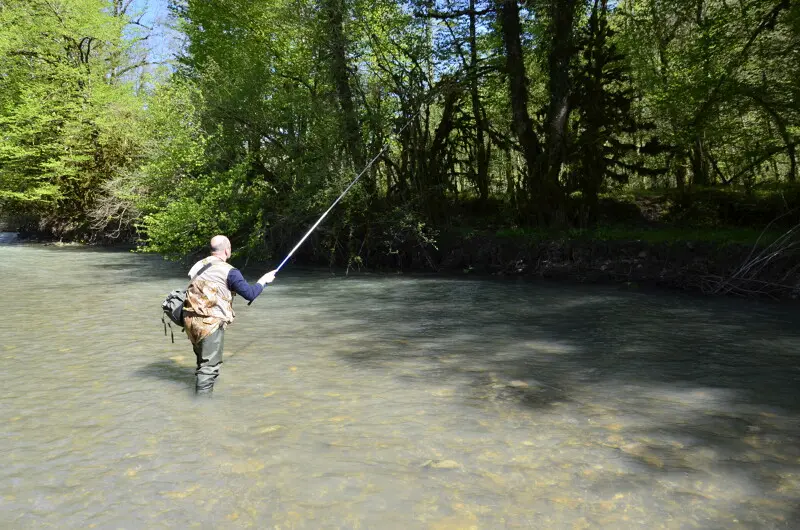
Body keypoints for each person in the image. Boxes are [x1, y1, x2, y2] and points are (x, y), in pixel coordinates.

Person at [183, 235, 276, 396]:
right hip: (210, 324)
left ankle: (199, 394)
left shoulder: (198, 265)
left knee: (202, 361)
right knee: (209, 368)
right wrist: (264, 281)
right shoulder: (230, 271)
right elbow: (250, 294)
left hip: (189, 320)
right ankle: (202, 407)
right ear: (227, 250)